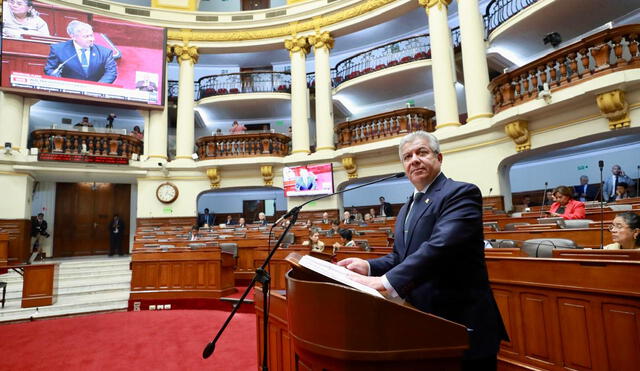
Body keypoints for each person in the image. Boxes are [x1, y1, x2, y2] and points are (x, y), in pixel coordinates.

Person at [337, 131, 507, 368]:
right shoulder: (407, 207)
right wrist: (368, 266)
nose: (414, 160)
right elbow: (401, 256)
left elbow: (441, 247)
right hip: (422, 323)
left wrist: (385, 282)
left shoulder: (460, 193)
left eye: (422, 152)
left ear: (439, 158)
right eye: (407, 157)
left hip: (459, 322)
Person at [44, 20, 118, 83]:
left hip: (95, 93)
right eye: (86, 36)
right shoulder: (58, 49)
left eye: (91, 35)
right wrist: (63, 84)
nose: (91, 39)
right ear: (73, 37)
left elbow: (111, 73)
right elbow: (50, 69)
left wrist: (98, 87)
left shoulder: (105, 53)